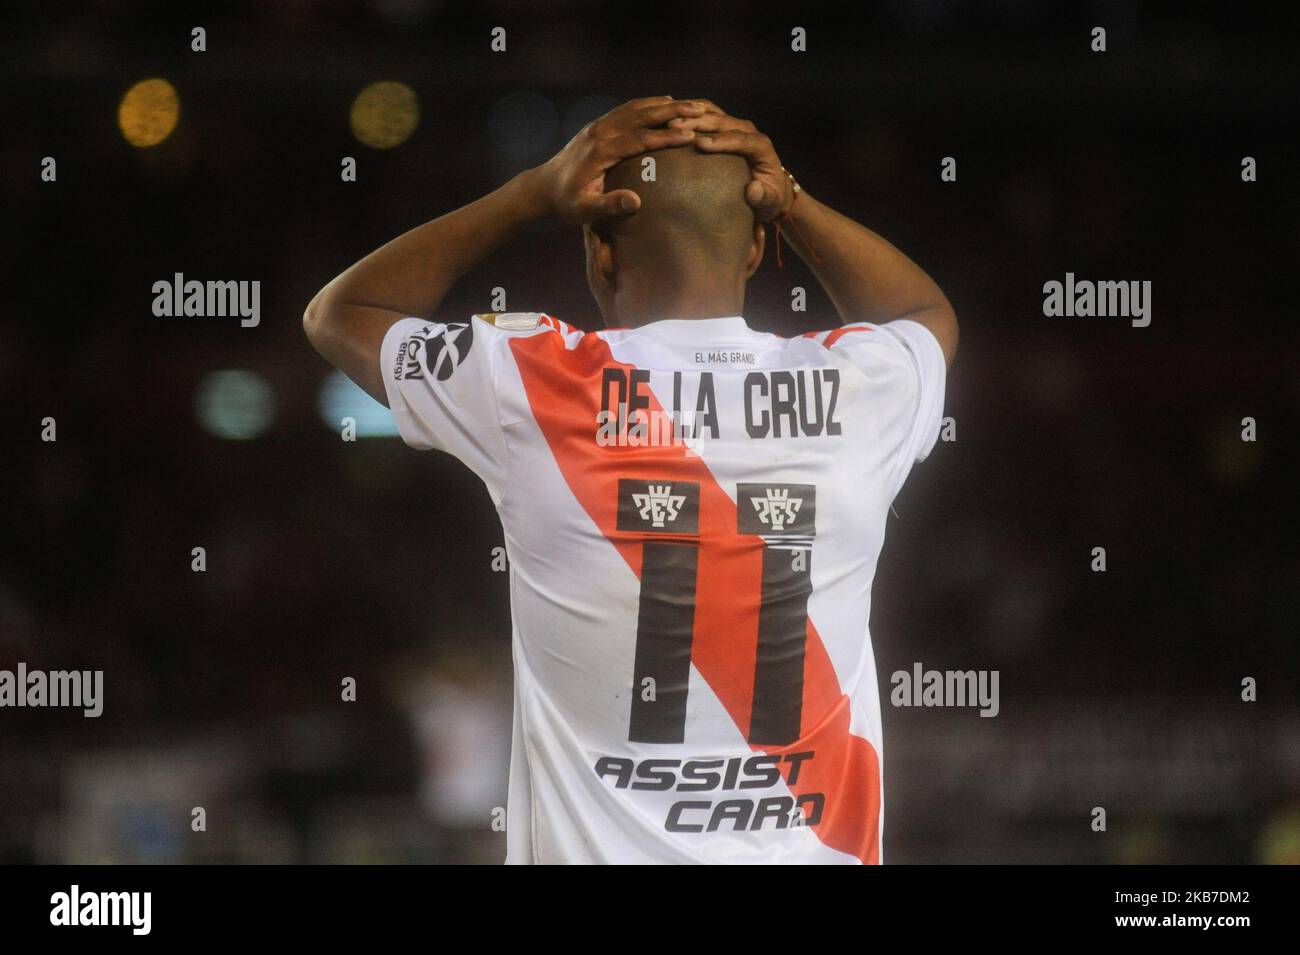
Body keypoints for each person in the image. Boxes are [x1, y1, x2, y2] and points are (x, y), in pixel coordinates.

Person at [304, 96, 957, 863]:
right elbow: (923, 314)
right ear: (755, 250)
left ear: (600, 254)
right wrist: (794, 203)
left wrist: (531, 193)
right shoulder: (858, 387)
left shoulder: (533, 381)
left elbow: (343, 311)